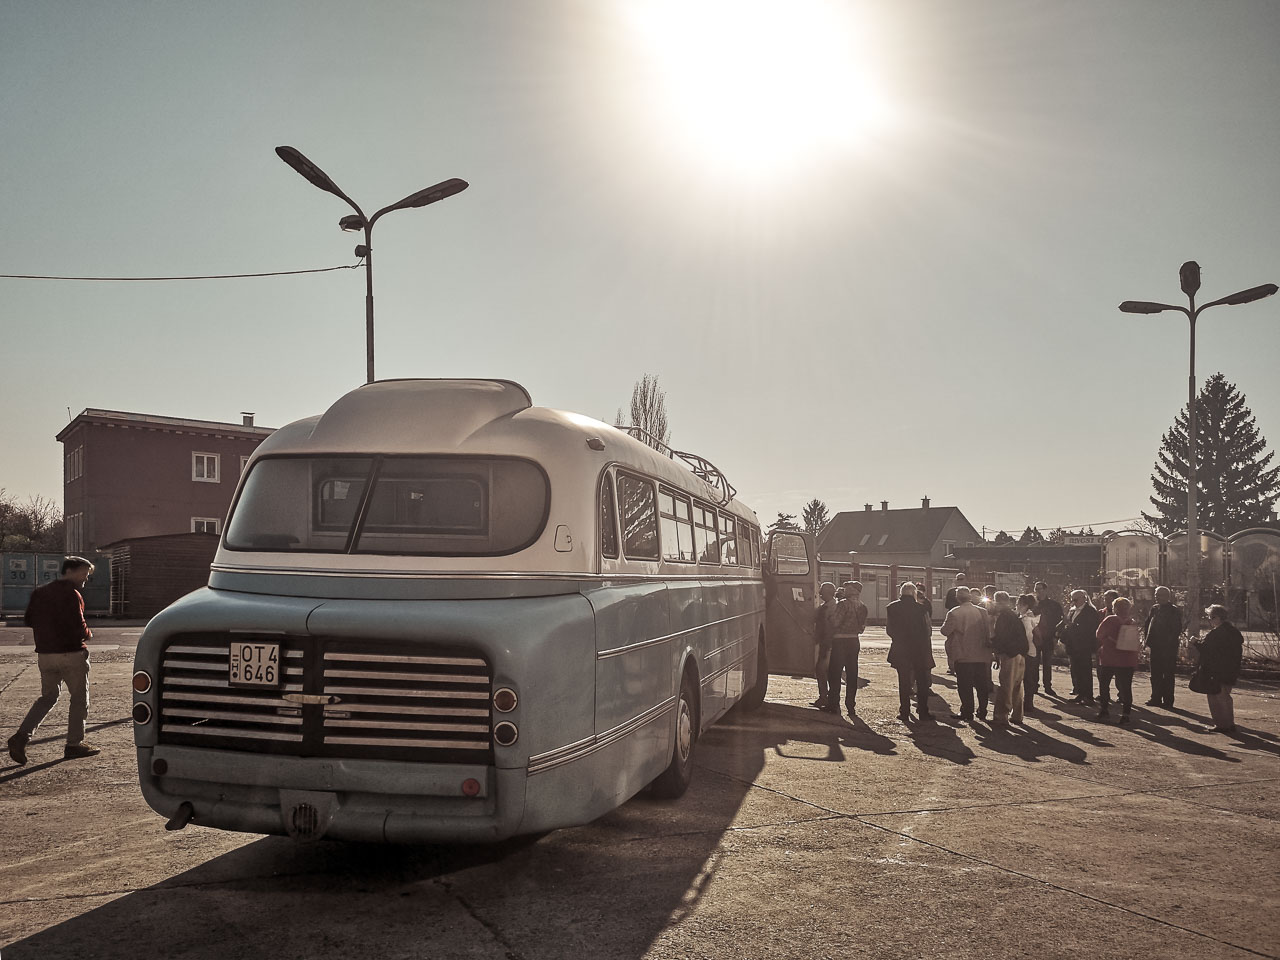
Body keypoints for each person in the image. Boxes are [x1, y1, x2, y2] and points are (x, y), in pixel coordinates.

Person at [7, 557, 101, 764]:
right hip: (71, 654)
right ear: (70, 571)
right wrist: (88, 634)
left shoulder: (40, 592)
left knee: (48, 697)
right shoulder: (72, 594)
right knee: (79, 699)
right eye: (84, 573)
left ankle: (21, 737)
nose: (86, 579)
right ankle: (74, 745)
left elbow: (29, 619)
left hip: (46, 655)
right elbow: (79, 626)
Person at [940, 587, 993, 722]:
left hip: (963, 654)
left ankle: (967, 711)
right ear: (969, 597)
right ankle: (982, 710)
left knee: (965, 685)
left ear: (957, 598)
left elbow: (945, 631)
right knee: (981, 685)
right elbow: (988, 631)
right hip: (981, 654)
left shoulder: (954, 612)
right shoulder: (982, 611)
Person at [886, 581, 934, 722]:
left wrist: (897, 639)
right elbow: (928, 629)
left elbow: (889, 629)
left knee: (904, 681)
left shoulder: (891, 607)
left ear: (901, 593)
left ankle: (904, 711)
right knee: (921, 680)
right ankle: (923, 711)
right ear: (914, 593)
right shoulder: (922, 608)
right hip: (919, 649)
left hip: (900, 648)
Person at [1195, 605, 1243, 734]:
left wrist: (1195, 643)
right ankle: (1229, 723)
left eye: (1212, 617)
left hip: (1215, 669)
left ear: (1219, 617)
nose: (1210, 620)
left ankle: (1221, 724)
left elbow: (1207, 650)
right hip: (1230, 669)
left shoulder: (1216, 633)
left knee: (1215, 696)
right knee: (1225, 696)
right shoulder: (1233, 631)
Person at [1095, 596, 1140, 722]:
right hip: (1127, 660)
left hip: (1109, 658)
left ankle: (1104, 710)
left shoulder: (1110, 619)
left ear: (1115, 608)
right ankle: (1126, 715)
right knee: (1126, 688)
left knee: (1104, 685)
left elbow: (1099, 634)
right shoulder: (1132, 622)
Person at [827, 581, 868, 716]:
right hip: (854, 641)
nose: (845, 590)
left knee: (835, 673)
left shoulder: (842, 604)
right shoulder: (862, 607)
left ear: (852, 590)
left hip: (840, 641)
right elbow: (862, 628)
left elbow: (835, 622)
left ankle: (833, 704)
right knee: (852, 673)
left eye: (847, 588)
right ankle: (850, 705)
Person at [990, 591, 1027, 727]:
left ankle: (1001, 715)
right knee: (1017, 685)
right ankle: (1017, 715)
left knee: (1006, 685)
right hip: (1020, 653)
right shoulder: (1013, 616)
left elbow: (1002, 637)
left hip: (1010, 653)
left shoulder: (1004, 617)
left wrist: (993, 646)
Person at [1143, 586, 1182, 708]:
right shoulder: (1154, 609)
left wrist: (1167, 644)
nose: (1156, 597)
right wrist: (1148, 641)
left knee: (1168, 674)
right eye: (1156, 594)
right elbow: (1148, 624)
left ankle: (1168, 700)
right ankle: (1155, 697)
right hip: (1155, 646)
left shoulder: (1173, 610)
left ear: (1167, 596)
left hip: (1168, 647)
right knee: (1155, 673)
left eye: (1159, 595)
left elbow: (1176, 629)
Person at [1060, 589, 1099, 705]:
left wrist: (1071, 625)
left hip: (1083, 645)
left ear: (1084, 598)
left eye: (1076, 600)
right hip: (1072, 644)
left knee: (1085, 671)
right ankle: (1080, 693)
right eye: (1072, 600)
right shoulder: (1073, 610)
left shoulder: (1090, 611)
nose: (1073, 602)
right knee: (1076, 670)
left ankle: (1088, 696)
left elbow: (1089, 629)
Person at [1033, 581, 1064, 696]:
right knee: (1034, 663)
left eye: (1040, 589)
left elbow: (1060, 621)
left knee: (1047, 663)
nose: (1037, 592)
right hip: (1035, 637)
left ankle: (1047, 686)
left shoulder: (1054, 605)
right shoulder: (1033, 604)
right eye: (1036, 589)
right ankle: (1034, 685)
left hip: (1049, 637)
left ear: (1045, 590)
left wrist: (1056, 636)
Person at [811, 582, 837, 709]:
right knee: (821, 670)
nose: (820, 594)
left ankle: (826, 698)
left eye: (822, 592)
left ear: (829, 593)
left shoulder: (832, 608)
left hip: (829, 643)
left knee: (823, 670)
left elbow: (830, 627)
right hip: (824, 642)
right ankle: (825, 697)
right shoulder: (826, 606)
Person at [1017, 593, 1040, 713]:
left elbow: (1026, 635)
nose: (1017, 606)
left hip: (1026, 651)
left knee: (1025, 679)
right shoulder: (1032, 617)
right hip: (1032, 651)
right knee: (1029, 679)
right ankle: (1028, 703)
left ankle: (1026, 704)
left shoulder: (1026, 619)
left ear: (1025, 605)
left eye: (1019, 604)